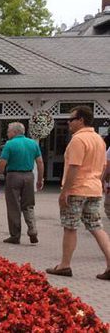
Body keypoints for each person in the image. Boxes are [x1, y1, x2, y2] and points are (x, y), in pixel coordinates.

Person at [46, 106, 110, 280]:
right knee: (96, 227)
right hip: (94, 189)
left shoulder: (78, 140)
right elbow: (104, 165)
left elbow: (75, 166)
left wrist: (64, 191)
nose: (68, 122)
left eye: (71, 119)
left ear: (81, 120)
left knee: (70, 227)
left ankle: (65, 265)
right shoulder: (99, 140)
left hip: (76, 189)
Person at [0, 122, 44, 245]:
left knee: (13, 206)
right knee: (28, 205)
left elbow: (2, 162)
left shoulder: (10, 144)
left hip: (13, 176)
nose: (7, 133)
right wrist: (40, 179)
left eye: (8, 131)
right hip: (28, 176)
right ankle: (32, 229)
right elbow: (40, 162)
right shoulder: (33, 143)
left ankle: (15, 235)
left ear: (14, 132)